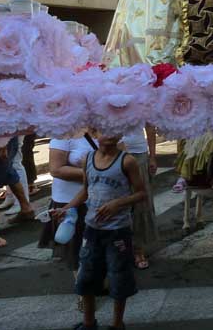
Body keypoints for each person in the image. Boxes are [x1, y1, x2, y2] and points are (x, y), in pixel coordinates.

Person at [55, 134, 146, 330]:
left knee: (118, 279)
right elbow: (85, 190)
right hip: (92, 230)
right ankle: (88, 323)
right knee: (86, 277)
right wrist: (66, 208)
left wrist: (118, 203)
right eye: (105, 130)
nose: (110, 135)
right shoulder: (89, 158)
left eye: (115, 130)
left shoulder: (127, 161)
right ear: (96, 134)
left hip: (118, 232)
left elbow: (141, 192)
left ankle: (117, 324)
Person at [39, 135, 98, 311]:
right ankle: (83, 292)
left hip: (101, 197)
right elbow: (56, 170)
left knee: (98, 244)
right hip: (69, 201)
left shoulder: (104, 126)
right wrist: (96, 172)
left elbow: (121, 157)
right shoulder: (63, 132)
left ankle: (97, 280)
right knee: (76, 248)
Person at [120, 127, 159, 270]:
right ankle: (120, 246)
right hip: (113, 152)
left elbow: (150, 127)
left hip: (139, 154)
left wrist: (152, 157)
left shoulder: (144, 104)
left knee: (140, 203)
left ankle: (138, 249)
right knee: (117, 202)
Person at [0, 136, 35, 226]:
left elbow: (1, 123)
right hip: (2, 139)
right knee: (7, 171)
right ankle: (26, 208)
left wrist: (3, 146)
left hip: (0, 139)